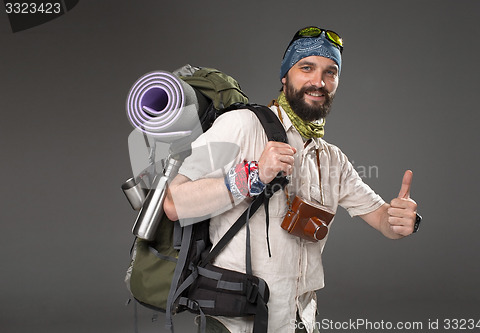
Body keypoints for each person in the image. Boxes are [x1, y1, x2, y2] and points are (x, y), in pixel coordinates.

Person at [163, 26, 420, 333]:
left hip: (300, 322)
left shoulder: (331, 158)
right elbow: (173, 203)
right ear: (285, 76)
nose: (318, 81)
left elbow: (381, 219)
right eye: (306, 68)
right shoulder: (242, 125)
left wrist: (402, 221)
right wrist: (252, 175)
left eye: (330, 72)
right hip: (236, 324)